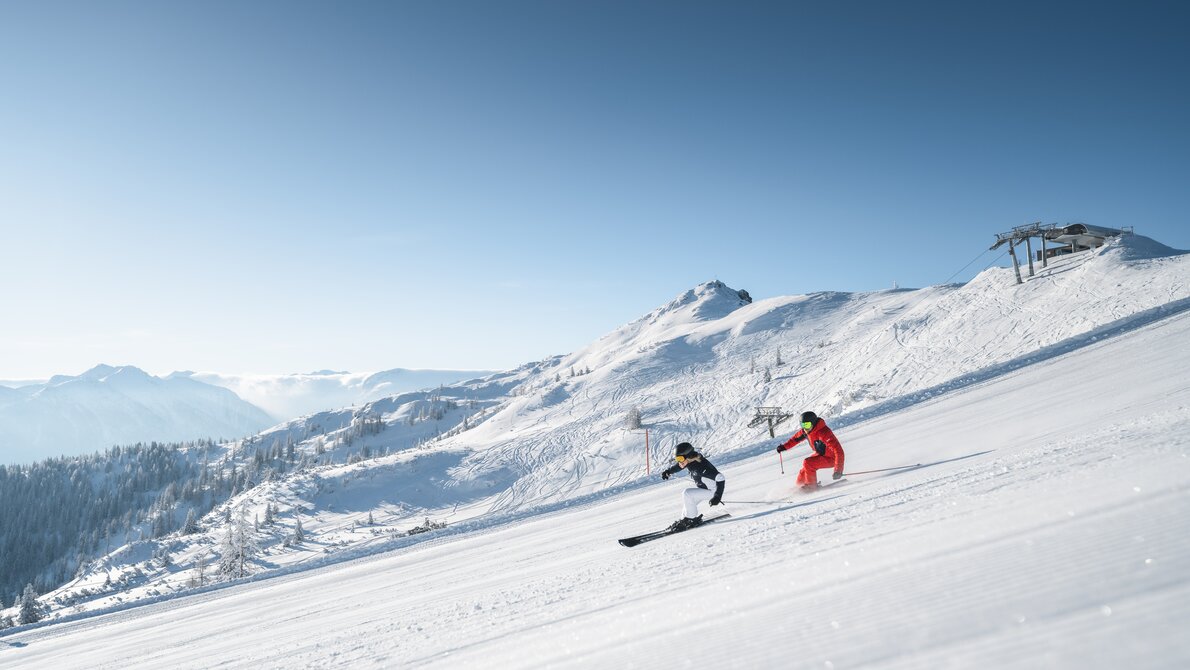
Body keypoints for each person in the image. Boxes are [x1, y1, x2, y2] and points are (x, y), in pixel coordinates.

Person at [660, 442, 725, 530]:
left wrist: (717, 496)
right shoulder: (690, 461)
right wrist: (669, 471)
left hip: (713, 492)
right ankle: (685, 520)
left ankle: (690, 520)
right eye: (677, 458)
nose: (678, 461)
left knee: (687, 493)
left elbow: (720, 477)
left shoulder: (699, 467)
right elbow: (679, 466)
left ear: (688, 456)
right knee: (687, 507)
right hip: (704, 490)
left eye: (680, 458)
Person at [775, 411, 845, 490]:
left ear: (813, 423)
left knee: (808, 463)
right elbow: (794, 440)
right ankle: (798, 487)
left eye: (807, 425)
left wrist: (838, 470)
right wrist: (784, 447)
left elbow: (838, 451)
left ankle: (811, 487)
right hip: (822, 454)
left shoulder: (824, 432)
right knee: (804, 470)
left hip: (832, 458)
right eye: (803, 425)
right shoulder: (806, 431)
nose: (805, 428)